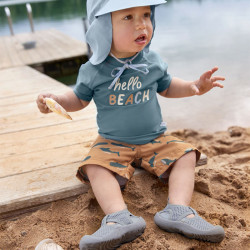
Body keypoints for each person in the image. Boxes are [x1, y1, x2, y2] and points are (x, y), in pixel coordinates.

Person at [36, 0, 226, 249]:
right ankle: (118, 218)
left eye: (146, 14)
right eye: (128, 17)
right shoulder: (93, 70)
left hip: (154, 138)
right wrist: (57, 100)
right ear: (103, 28)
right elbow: (78, 99)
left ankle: (178, 210)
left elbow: (167, 86)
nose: (141, 24)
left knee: (186, 155)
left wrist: (194, 87)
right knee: (94, 166)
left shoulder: (152, 60)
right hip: (112, 141)